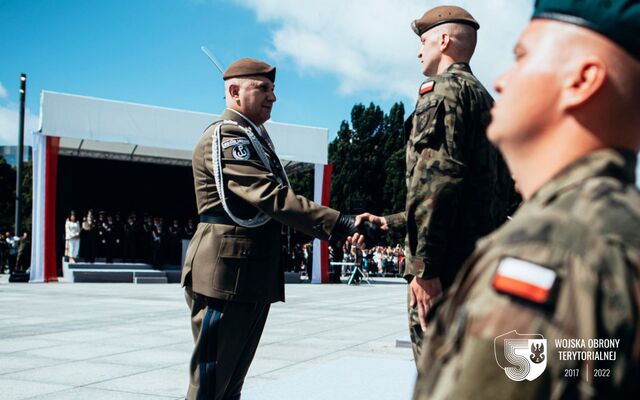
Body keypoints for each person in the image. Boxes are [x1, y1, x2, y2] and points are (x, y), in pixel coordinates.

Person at [411, 1, 640, 398]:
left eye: (522, 57)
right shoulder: (619, 226)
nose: (501, 81)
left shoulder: (546, 252)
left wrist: (424, 263)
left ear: (581, 80)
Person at [180, 58, 382, 400]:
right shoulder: (228, 136)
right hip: (225, 275)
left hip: (245, 274)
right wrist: (343, 223)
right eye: (263, 88)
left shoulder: (254, 136)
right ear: (234, 91)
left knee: (229, 385)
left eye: (273, 89)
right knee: (211, 384)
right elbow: (270, 197)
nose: (272, 97)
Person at [352, 5, 516, 363]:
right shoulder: (487, 102)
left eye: (423, 41)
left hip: (445, 271)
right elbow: (476, 194)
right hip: (478, 268)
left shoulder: (441, 92)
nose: (418, 51)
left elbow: (435, 181)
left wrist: (425, 268)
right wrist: (390, 223)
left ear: (443, 40)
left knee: (437, 374)